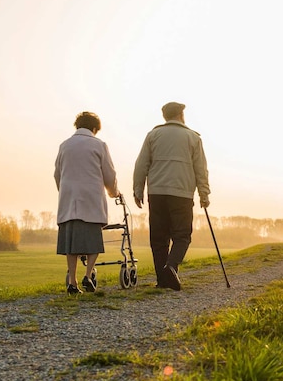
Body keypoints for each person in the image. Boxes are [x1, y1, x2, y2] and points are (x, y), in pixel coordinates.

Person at [133, 102, 210, 290]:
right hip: (182, 193)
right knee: (182, 235)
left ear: (165, 116)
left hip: (157, 193)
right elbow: (201, 169)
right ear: (182, 115)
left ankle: (163, 280)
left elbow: (141, 164)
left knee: (158, 238)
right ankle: (171, 266)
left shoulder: (153, 135)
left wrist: (138, 189)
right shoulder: (193, 138)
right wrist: (204, 193)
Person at [54, 111, 120, 294]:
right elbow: (109, 173)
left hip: (69, 200)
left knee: (71, 243)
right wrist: (114, 192)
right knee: (93, 240)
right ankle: (88, 275)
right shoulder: (99, 145)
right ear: (94, 128)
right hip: (91, 198)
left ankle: (72, 281)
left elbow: (57, 174)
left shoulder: (64, 146)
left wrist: (65, 191)